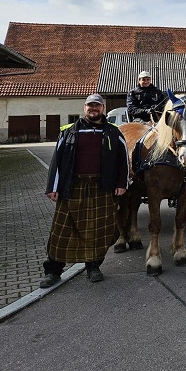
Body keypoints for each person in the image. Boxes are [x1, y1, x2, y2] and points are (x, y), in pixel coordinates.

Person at [39, 94, 129, 287]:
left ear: (103, 109)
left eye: (97, 105)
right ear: (84, 107)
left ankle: (93, 267)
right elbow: (56, 161)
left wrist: (122, 184)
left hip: (101, 188)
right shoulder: (69, 132)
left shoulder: (113, 132)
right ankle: (53, 271)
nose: (93, 108)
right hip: (73, 187)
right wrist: (52, 187)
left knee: (97, 231)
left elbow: (123, 161)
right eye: (90, 105)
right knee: (61, 232)